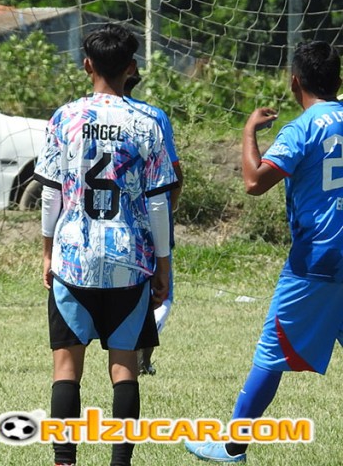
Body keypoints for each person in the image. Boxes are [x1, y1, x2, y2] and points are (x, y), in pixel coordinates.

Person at [186, 40, 343, 463]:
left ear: (295, 82)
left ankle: (232, 446)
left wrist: (248, 132)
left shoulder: (302, 128)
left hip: (317, 259)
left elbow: (254, 182)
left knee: (271, 352)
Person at [35, 23, 178, 466]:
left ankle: (64, 461)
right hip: (129, 260)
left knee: (66, 368)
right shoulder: (148, 121)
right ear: (131, 67)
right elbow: (159, 202)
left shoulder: (65, 118)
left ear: (87, 65)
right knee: (124, 367)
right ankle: (120, 463)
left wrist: (47, 251)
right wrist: (163, 264)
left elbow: (50, 194)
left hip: (73, 257)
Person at [124, 72, 183, 376]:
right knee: (160, 294)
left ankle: (135, 360)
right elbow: (174, 174)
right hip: (150, 218)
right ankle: (140, 358)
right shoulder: (153, 116)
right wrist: (169, 211)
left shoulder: (79, 113)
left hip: (107, 224)